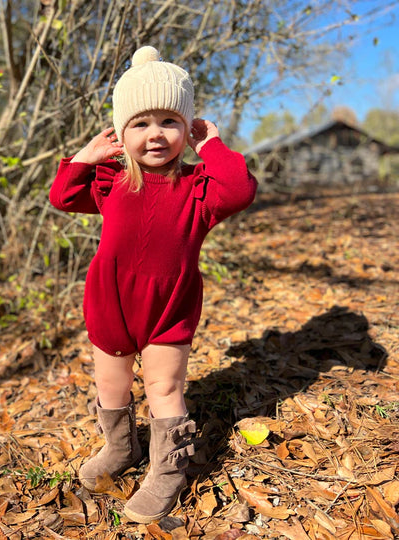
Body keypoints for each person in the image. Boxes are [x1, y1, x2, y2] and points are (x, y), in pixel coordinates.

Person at [49, 46, 257, 523]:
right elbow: (62, 196)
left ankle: (167, 470)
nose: (155, 134)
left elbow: (241, 190)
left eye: (169, 121)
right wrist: (87, 155)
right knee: (112, 383)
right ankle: (121, 448)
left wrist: (214, 147)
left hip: (169, 306)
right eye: (140, 124)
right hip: (111, 301)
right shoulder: (109, 181)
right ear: (122, 133)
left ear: (187, 129)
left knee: (164, 386)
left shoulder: (200, 187)